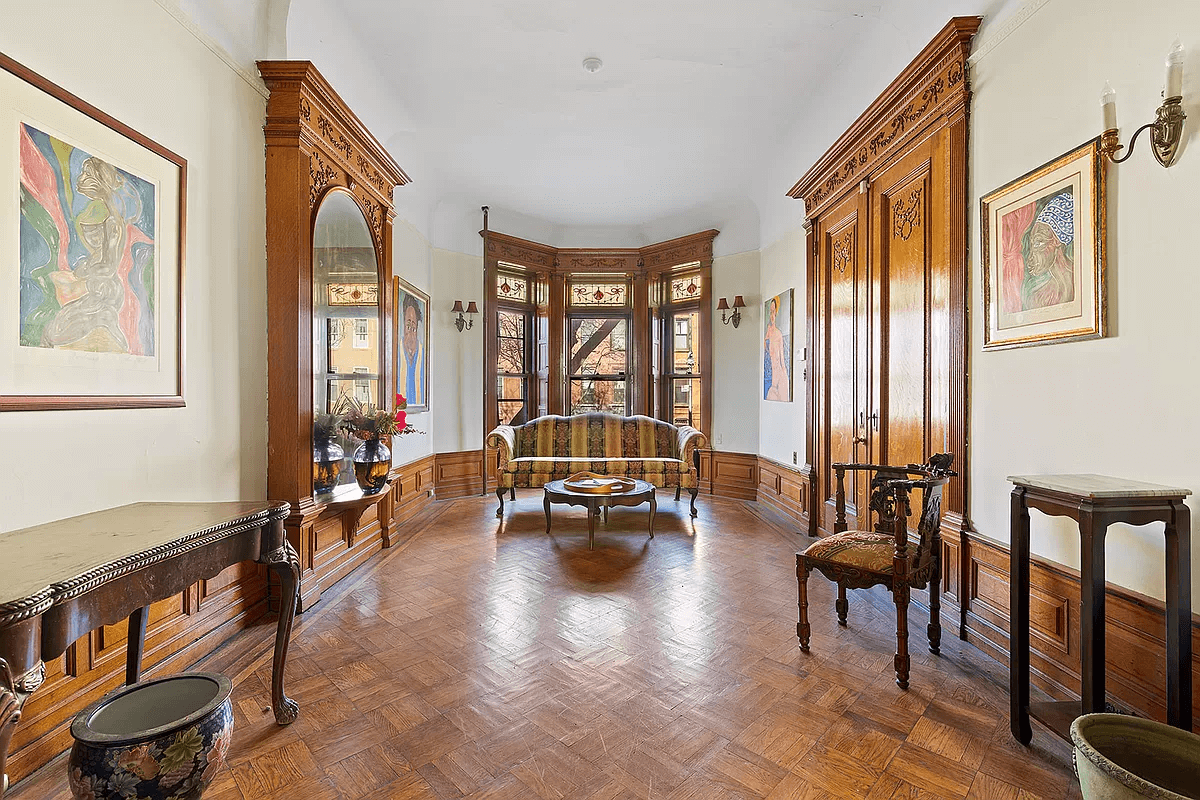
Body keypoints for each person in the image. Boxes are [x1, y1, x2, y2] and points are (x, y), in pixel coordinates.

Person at [1021, 191, 1075, 311]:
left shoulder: (1082, 282)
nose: (1031, 257)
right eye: (1031, 245)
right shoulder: (1037, 297)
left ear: (1057, 241)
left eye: (1038, 243)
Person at [398, 293, 424, 406]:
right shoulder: (395, 352)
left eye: (413, 327)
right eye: (408, 326)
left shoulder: (423, 354)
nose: (410, 332)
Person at [764, 296, 790, 401]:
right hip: (767, 376)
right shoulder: (767, 332)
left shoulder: (778, 334)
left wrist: (783, 376)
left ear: (776, 313)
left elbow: (782, 360)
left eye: (773, 312)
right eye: (770, 312)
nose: (772, 315)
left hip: (776, 377)